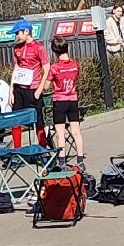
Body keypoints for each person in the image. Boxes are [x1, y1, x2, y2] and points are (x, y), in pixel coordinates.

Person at [10, 19, 50, 146]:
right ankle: (17, 151)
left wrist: (40, 89)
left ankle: (43, 150)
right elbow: (16, 68)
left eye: (18, 33)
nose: (16, 36)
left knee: (38, 121)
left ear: (26, 31)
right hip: (19, 89)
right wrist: (11, 91)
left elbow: (47, 68)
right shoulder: (17, 48)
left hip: (33, 90)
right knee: (16, 121)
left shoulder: (39, 48)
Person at [47, 37, 84, 169]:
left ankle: (61, 161)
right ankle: (80, 159)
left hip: (59, 101)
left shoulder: (54, 68)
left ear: (54, 52)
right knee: (76, 132)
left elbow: (46, 86)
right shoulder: (75, 65)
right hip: (73, 100)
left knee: (60, 133)